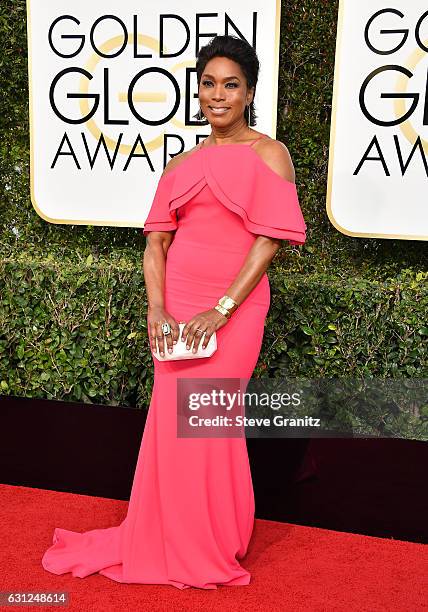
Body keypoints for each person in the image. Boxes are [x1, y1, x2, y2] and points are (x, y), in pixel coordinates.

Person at [41, 34, 307, 590]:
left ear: (250, 92)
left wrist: (224, 307)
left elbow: (268, 242)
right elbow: (156, 243)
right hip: (179, 306)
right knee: (172, 423)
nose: (217, 95)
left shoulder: (269, 154)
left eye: (230, 85)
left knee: (210, 421)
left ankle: (211, 542)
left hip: (233, 309)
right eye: (208, 83)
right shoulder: (182, 161)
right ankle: (169, 536)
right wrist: (157, 310)